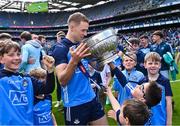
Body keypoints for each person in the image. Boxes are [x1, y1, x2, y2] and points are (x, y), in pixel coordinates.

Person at [53, 12, 107, 125]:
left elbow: (99, 68)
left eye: (86, 30)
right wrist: (74, 61)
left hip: (91, 98)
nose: (85, 34)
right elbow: (62, 81)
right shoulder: (60, 48)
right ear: (72, 27)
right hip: (74, 104)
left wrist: (104, 56)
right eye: (83, 30)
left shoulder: (82, 45)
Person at [0, 40, 55, 125]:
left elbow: (48, 88)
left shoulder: (27, 79)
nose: (17, 58)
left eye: (18, 54)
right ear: (1, 59)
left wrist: (50, 70)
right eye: (11, 55)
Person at [139, 52, 173, 125]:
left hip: (160, 120)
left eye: (156, 63)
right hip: (144, 121)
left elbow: (169, 103)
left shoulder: (165, 81)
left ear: (160, 65)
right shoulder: (141, 81)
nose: (153, 66)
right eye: (150, 63)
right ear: (145, 65)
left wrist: (169, 122)